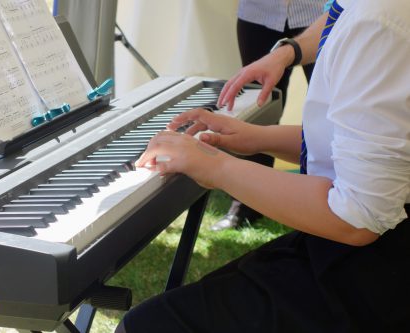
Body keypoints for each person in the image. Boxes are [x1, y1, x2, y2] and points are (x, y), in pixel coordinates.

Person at [116, 0, 410, 331]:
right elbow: (365, 151)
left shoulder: (379, 22)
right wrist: (257, 137)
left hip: (378, 276)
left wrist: (216, 167)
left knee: (147, 325)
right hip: (359, 250)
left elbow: (357, 217)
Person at [214, 0, 325, 231]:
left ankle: (325, 200)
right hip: (258, 13)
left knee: (327, 110)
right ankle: (246, 203)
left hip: (319, 12)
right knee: (258, 109)